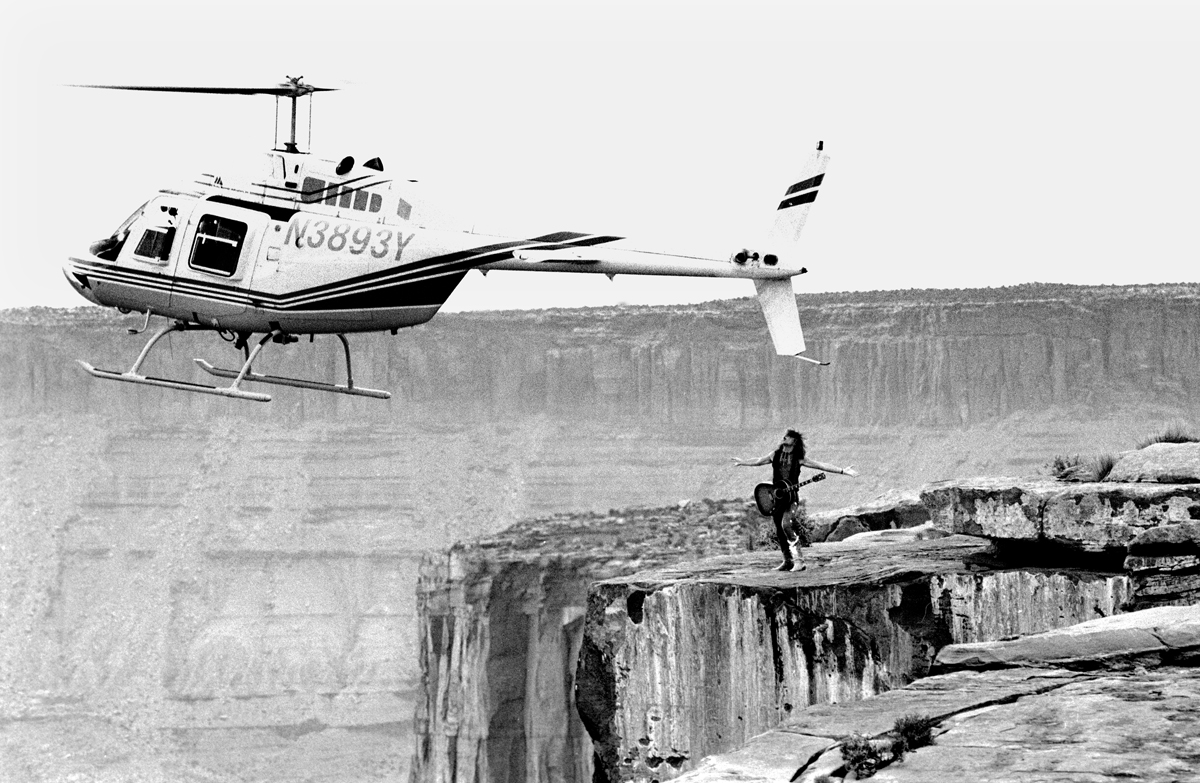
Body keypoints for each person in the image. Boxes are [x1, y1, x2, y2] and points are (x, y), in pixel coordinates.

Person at [731, 429, 858, 571]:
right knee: (779, 529)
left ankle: (799, 561)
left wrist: (842, 470)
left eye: (788, 437)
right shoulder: (775, 455)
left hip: (791, 499)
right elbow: (759, 461)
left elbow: (821, 465)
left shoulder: (799, 458)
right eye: (785, 436)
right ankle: (787, 561)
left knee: (786, 524)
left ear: (794, 441)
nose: (784, 438)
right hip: (777, 498)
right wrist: (743, 462)